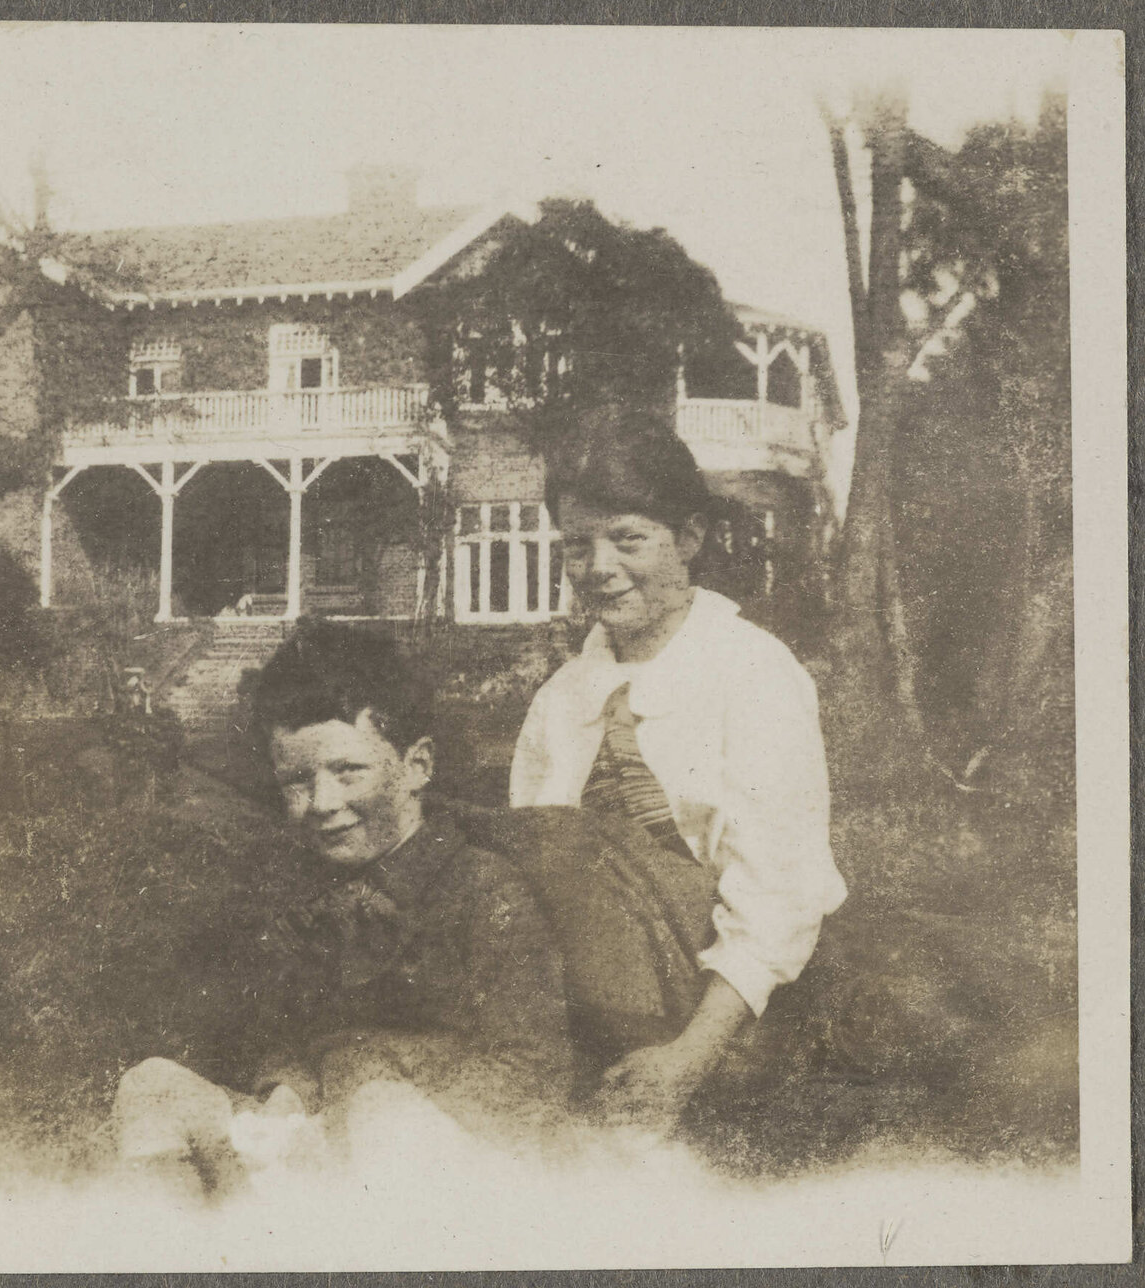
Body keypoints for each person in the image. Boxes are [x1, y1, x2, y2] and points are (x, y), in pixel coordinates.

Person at [113, 622, 575, 1193]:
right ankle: (177, 1239)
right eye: (296, 781)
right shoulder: (298, 891)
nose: (322, 803)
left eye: (347, 771)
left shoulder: (483, 890)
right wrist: (287, 1091)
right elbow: (288, 1035)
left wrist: (364, 1094)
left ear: (417, 766)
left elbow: (532, 1073)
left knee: (383, 1114)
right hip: (318, 1130)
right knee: (151, 1086)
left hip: (440, 1144)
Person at [509, 410, 847, 1123]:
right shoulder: (559, 702)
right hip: (591, 1021)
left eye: (628, 539)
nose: (599, 567)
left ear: (689, 538)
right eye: (576, 545)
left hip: (736, 1022)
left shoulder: (752, 672)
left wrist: (689, 1058)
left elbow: (781, 892)